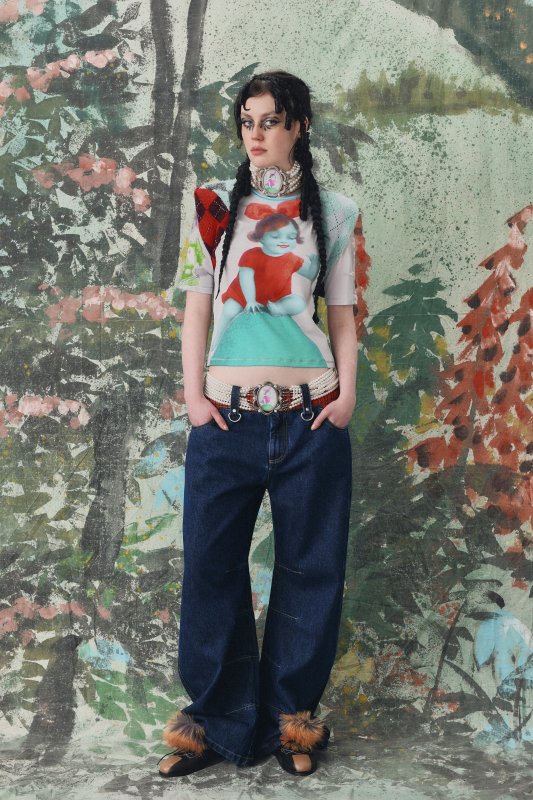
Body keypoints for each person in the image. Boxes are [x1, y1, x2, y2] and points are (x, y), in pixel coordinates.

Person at [157, 69, 361, 779]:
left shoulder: (333, 212)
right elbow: (197, 308)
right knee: (211, 567)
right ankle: (215, 724)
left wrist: (345, 398)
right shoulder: (214, 205)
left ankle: (288, 723)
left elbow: (342, 315)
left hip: (310, 419)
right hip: (226, 420)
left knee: (311, 568)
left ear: (299, 126)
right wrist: (194, 397)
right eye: (247, 121)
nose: (256, 133)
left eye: (271, 120)